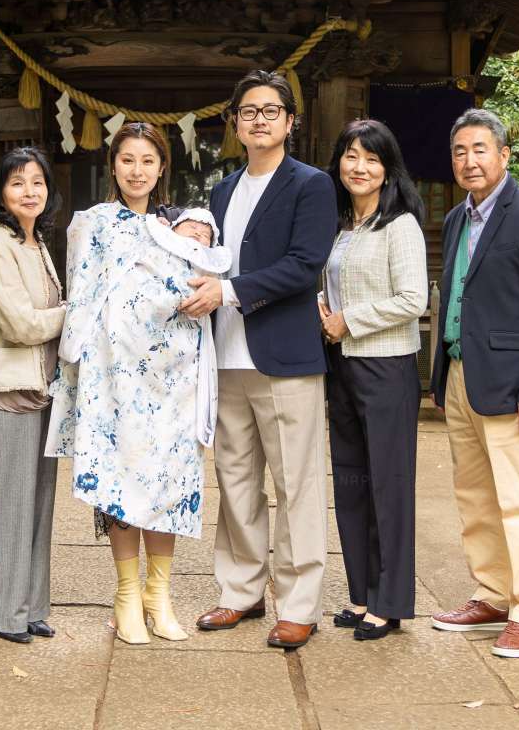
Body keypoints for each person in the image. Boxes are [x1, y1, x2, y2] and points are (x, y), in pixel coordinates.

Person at [46, 124, 230, 645]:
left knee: (170, 481)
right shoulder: (92, 222)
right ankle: (126, 594)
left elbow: (199, 283)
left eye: (148, 161)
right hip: (113, 375)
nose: (137, 170)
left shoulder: (180, 227)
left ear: (161, 168)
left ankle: (159, 593)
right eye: (127, 160)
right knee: (121, 479)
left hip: (172, 376)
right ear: (113, 165)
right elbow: (82, 295)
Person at [184, 70, 337, 651]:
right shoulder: (223, 190)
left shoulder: (311, 185)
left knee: (295, 485)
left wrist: (228, 291)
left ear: (289, 122)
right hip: (225, 357)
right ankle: (240, 592)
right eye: (248, 111)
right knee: (237, 481)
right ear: (235, 122)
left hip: (286, 357)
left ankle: (298, 605)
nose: (259, 120)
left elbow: (304, 265)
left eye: (271, 111)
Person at [429, 108, 519, 659]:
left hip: (513, 386)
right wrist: (442, 378)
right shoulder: (459, 219)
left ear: (504, 154)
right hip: (463, 375)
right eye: (460, 151)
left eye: (480, 149)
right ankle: (492, 595)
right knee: (475, 496)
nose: (469, 160)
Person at [319, 119, 428, 642]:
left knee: (387, 487)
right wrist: (326, 310)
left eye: (372, 158)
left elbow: (414, 301)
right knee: (352, 485)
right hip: (342, 367)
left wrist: (349, 320)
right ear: (338, 163)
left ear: (388, 169)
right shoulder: (343, 226)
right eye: (351, 156)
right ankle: (361, 595)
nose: (359, 167)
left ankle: (390, 602)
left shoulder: (399, 224)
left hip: (386, 368)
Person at [0, 146, 66, 644]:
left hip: (40, 390)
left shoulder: (37, 243)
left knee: (37, 505)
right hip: (0, 389)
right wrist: (79, 311)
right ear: (1, 192)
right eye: (18, 182)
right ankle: (3, 614)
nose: (30, 191)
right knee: (3, 504)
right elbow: (23, 325)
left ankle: (31, 607)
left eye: (38, 182)